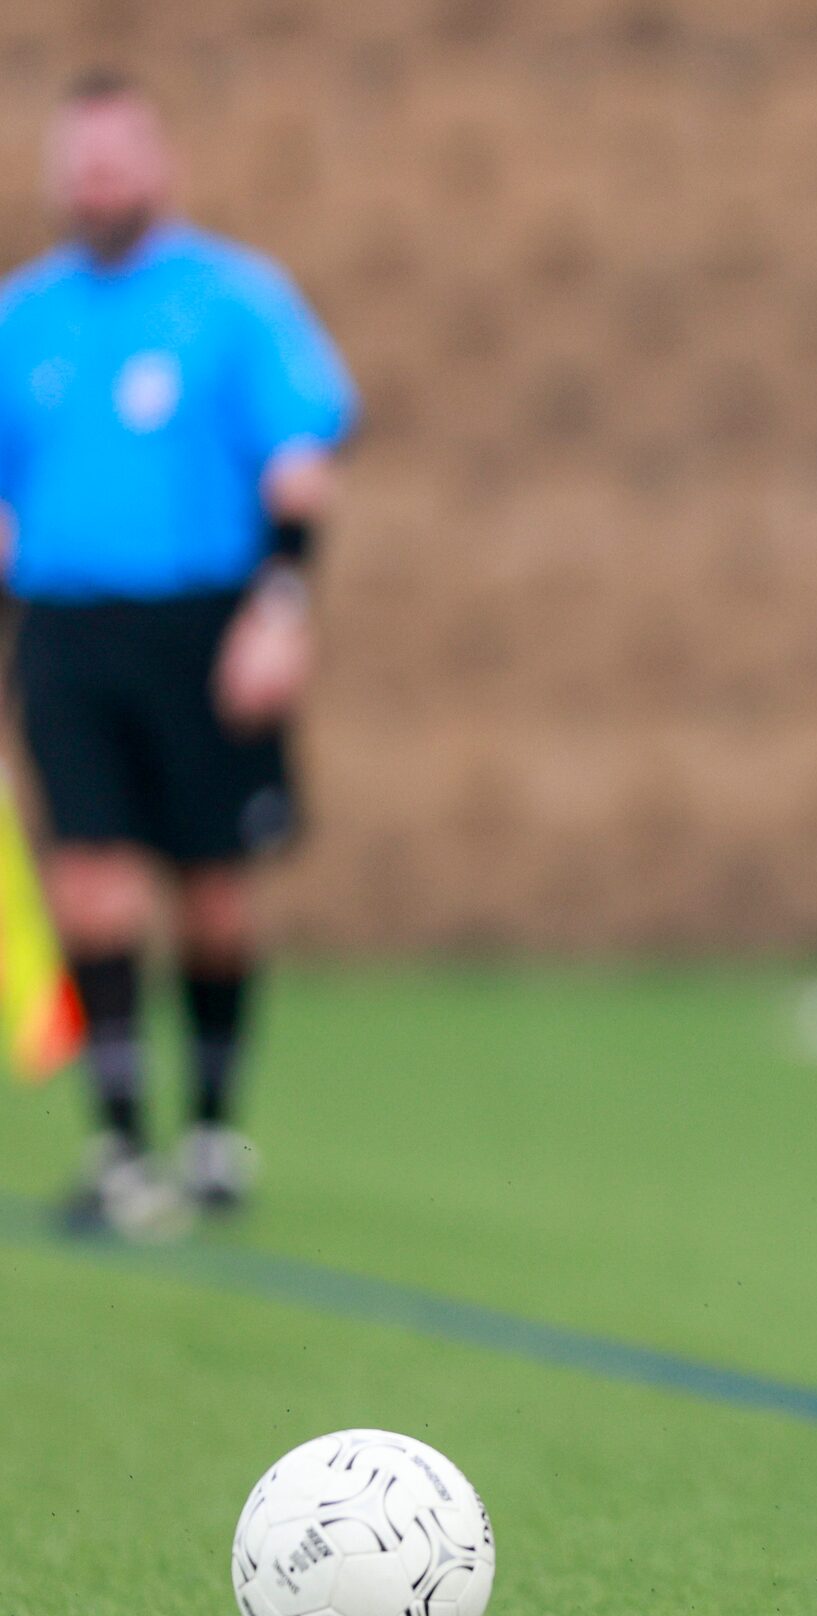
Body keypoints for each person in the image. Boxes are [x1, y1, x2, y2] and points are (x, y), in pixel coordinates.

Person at [0, 72, 353, 1236]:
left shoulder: (235, 301)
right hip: (65, 629)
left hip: (206, 626)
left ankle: (209, 1129)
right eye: (80, 164)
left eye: (118, 160)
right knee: (88, 880)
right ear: (59, 179)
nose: (99, 182)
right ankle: (119, 1152)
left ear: (158, 167)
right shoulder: (23, 320)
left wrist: (280, 610)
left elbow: (300, 461)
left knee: (211, 888)